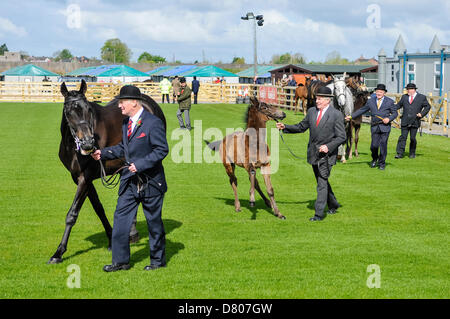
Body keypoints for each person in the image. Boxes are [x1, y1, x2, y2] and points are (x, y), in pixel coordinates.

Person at [91, 85, 169, 272]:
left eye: (122, 101)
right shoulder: (126, 123)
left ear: (134, 102)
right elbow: (123, 149)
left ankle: (157, 261)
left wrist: (140, 164)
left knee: (154, 223)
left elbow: (161, 150)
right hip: (129, 181)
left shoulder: (153, 123)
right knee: (120, 220)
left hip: (151, 182)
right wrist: (104, 153)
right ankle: (120, 262)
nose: (119, 106)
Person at [276, 86, 346, 221]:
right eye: (316, 98)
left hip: (327, 155)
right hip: (313, 153)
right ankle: (333, 204)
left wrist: (328, 146)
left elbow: (341, 136)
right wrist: (286, 127)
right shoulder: (312, 111)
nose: (317, 101)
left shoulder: (336, 114)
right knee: (322, 180)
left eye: (320, 99)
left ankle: (318, 214)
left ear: (328, 101)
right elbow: (301, 127)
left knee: (321, 182)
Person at [345, 84, 397, 170]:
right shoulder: (371, 101)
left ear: (384, 93)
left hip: (385, 127)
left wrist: (389, 118)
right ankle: (374, 159)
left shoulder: (390, 102)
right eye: (377, 92)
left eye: (380, 92)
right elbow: (361, 110)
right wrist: (351, 116)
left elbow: (395, 113)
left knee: (383, 145)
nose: (378, 93)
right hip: (375, 126)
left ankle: (382, 163)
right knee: (374, 146)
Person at [394, 83, 431, 159]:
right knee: (403, 137)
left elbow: (428, 106)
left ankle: (412, 153)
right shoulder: (404, 97)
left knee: (412, 138)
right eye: (407, 89)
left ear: (413, 90)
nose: (407, 90)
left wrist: (422, 114)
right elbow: (398, 105)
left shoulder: (421, 97)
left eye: (409, 89)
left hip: (415, 121)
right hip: (405, 120)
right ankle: (400, 153)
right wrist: (389, 108)